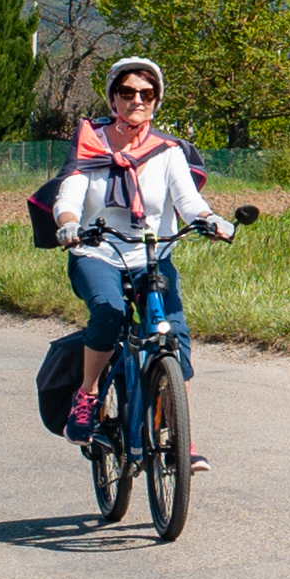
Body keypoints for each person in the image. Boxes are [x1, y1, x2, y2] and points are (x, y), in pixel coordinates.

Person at [50, 56, 233, 466]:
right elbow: (69, 196)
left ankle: (180, 442)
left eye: (147, 94)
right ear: (113, 98)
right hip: (97, 252)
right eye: (128, 92)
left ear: (156, 101)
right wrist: (67, 224)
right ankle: (88, 395)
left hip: (151, 254)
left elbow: (188, 201)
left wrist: (210, 220)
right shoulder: (91, 144)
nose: (137, 100)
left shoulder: (167, 151)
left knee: (175, 336)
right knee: (109, 311)